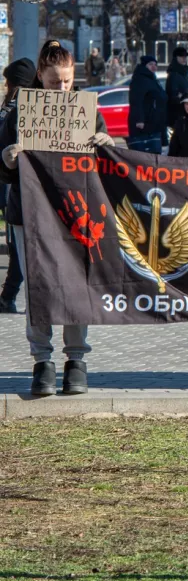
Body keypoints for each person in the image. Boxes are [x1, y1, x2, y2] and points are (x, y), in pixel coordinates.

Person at [0, 41, 113, 396]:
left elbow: (106, 169)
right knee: (39, 287)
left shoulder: (87, 110)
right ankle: (42, 361)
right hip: (30, 215)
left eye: (66, 82)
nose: (62, 89)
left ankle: (76, 360)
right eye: (54, 83)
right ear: (40, 78)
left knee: (78, 286)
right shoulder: (21, 112)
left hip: (77, 214)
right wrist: (9, 157)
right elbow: (0, 167)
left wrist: (107, 144)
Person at [0, 57, 33, 313]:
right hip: (10, 181)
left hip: (15, 186)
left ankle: (8, 295)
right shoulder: (11, 109)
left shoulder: (18, 110)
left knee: (18, 245)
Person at [127, 53, 168, 153]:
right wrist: (139, 120)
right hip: (145, 121)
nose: (154, 67)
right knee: (146, 150)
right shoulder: (140, 79)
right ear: (144, 66)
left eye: (155, 64)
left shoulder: (152, 79)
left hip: (154, 119)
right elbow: (136, 100)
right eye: (150, 64)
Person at [165, 46, 188, 129]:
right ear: (176, 58)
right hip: (179, 114)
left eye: (185, 57)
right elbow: (173, 96)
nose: (184, 59)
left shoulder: (185, 73)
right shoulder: (174, 74)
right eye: (181, 56)